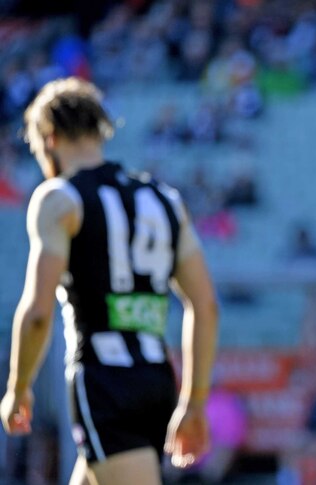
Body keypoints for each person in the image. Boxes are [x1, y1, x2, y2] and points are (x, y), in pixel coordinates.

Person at [0, 77, 219, 485]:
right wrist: (194, 401)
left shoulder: (58, 198)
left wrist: (19, 387)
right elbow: (204, 306)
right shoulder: (163, 197)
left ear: (48, 139)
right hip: (157, 380)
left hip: (103, 379)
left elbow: (36, 314)